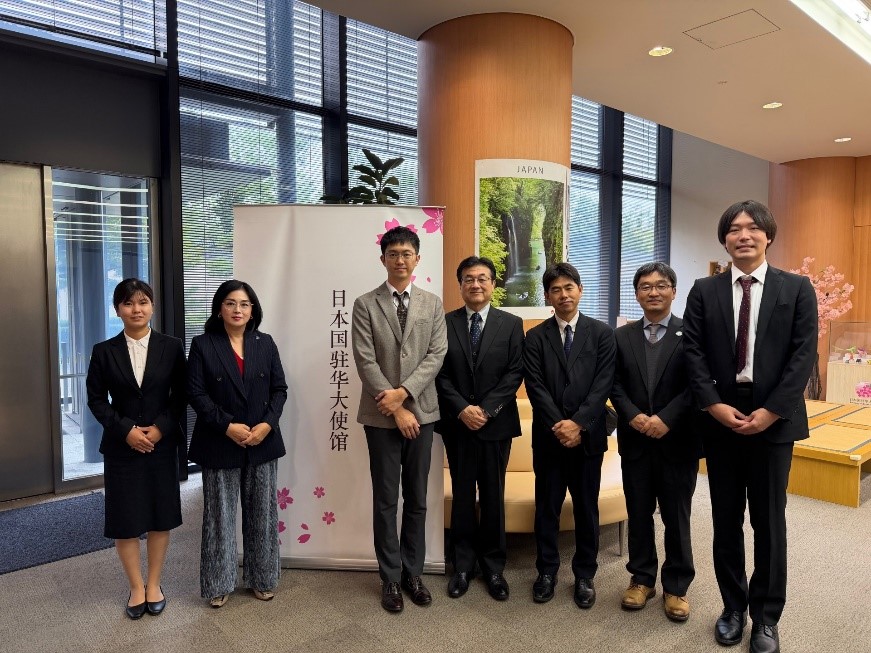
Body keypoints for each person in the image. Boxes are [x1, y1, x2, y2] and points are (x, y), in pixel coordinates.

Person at [682, 200, 817, 653]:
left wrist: (774, 410)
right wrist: (713, 406)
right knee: (725, 520)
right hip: (721, 417)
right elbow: (694, 355)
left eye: (752, 228)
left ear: (768, 236)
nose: (743, 235)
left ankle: (766, 617)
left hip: (773, 420)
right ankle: (733, 607)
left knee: (769, 521)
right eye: (734, 229)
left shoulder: (797, 288)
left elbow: (803, 356)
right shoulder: (704, 290)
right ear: (724, 239)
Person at [351, 225, 448, 613]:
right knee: (386, 500)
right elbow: (364, 359)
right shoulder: (365, 303)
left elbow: (436, 355)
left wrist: (404, 396)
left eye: (407, 253)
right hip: (380, 417)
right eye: (393, 254)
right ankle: (390, 578)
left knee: (419, 500)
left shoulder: (432, 303)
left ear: (417, 259)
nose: (401, 260)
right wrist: (394, 407)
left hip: (422, 414)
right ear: (383, 260)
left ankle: (414, 572)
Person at [86, 278, 186, 619]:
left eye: (142, 302)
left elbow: (181, 396)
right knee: (125, 519)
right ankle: (135, 586)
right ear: (118, 310)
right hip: (121, 447)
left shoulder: (171, 347)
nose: (136, 309)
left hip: (160, 445)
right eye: (128, 304)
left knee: (160, 516)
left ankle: (155, 583)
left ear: (152, 306)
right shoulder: (104, 351)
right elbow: (97, 400)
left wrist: (159, 429)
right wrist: (126, 430)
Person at [187, 280, 288, 608]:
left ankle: (263, 578)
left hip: (262, 441)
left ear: (253, 310)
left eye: (244, 304)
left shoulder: (266, 343)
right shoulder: (203, 344)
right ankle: (219, 582)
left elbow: (279, 389)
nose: (238, 310)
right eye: (231, 303)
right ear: (220, 308)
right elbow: (196, 394)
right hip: (219, 441)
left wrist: (266, 425)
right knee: (219, 515)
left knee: (262, 513)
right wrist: (227, 426)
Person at [610, 262, 700, 622]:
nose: (653, 292)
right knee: (639, 512)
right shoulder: (621, 336)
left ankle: (676, 586)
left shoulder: (692, 333)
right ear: (637, 294)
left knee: (677, 516)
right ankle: (642, 578)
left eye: (661, 285)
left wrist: (666, 418)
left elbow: (698, 384)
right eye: (645, 287)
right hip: (635, 440)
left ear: (674, 291)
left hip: (677, 441)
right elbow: (613, 383)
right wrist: (632, 415)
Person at [523, 262, 615, 608]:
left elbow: (603, 383)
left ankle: (585, 575)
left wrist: (577, 423)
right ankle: (546, 571)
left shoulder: (602, 333)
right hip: (549, 439)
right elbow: (535, 387)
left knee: (586, 508)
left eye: (569, 287)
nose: (563, 295)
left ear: (580, 290)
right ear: (548, 296)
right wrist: (560, 425)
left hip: (588, 437)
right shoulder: (535, 337)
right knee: (546, 506)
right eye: (556, 289)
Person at [436, 256, 524, 601]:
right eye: (469, 279)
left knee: (492, 497)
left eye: (483, 278)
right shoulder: (444, 324)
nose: (476, 284)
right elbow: (439, 373)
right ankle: (462, 565)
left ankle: (493, 567)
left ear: (493, 284)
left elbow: (515, 372)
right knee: (461, 497)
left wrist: (485, 410)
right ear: (460, 285)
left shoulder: (511, 323)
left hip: (495, 425)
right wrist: (462, 409)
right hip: (458, 425)